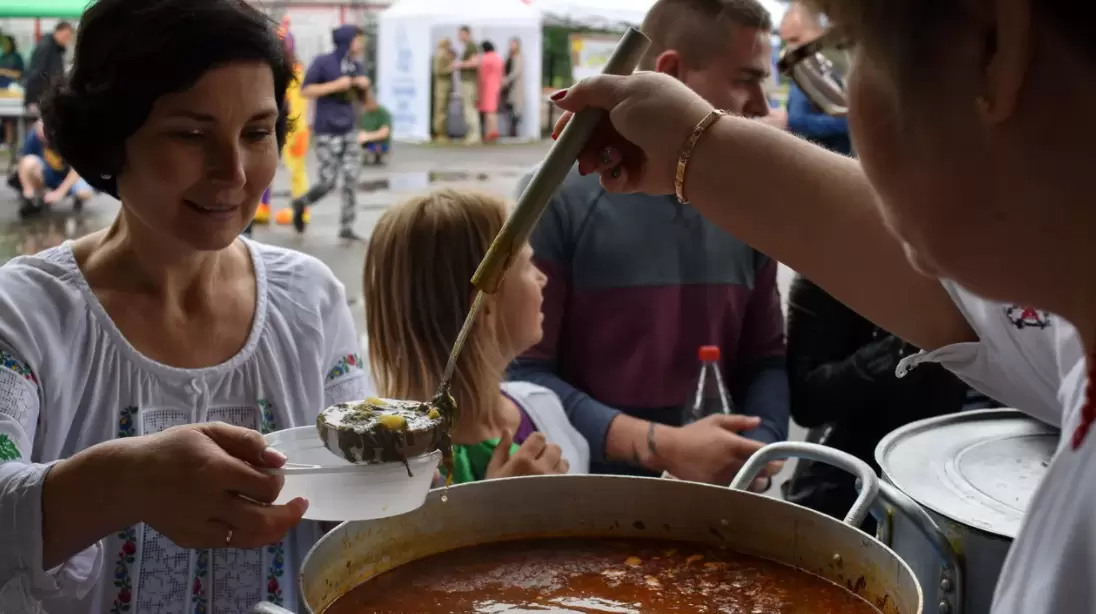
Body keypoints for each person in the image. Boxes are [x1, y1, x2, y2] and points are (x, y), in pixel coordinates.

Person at [549, 0, 1094, 611]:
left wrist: (695, 147)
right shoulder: (1074, 327)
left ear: (997, 49)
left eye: (849, 53)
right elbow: (939, 293)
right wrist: (691, 146)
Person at [0, 0, 370, 611]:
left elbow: (357, 499)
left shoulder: (311, 300)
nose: (235, 172)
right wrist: (127, 482)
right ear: (110, 138)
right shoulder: (26, 315)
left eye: (257, 133)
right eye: (192, 135)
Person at [510, 0, 788, 488]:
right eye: (746, 80)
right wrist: (665, 447)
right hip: (593, 498)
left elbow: (765, 358)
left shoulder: (754, 199)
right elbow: (524, 377)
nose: (763, 106)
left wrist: (757, 450)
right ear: (672, 74)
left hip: (724, 497)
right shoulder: (557, 194)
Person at [364, 188, 588, 483]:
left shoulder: (541, 405)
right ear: (484, 304)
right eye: (527, 265)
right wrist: (496, 505)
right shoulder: (394, 472)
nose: (542, 278)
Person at [782, 274, 969, 532]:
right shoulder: (831, 268)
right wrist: (903, 348)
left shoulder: (979, 275)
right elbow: (806, 402)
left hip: (954, 478)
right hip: (846, 483)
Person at [290, 25, 370, 239]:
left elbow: (365, 101)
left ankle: (346, 227)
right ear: (347, 40)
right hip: (327, 130)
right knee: (328, 181)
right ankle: (301, 202)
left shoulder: (356, 66)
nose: (361, 44)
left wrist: (363, 86)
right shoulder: (323, 62)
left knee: (351, 178)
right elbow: (306, 90)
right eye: (357, 39)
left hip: (349, 129)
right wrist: (335, 85)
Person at [763, 2, 852, 155]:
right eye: (787, 41)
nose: (790, 49)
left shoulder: (834, 64)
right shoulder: (805, 67)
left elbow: (850, 119)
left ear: (818, 32)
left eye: (796, 40)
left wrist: (790, 121)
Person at [13, 119, 93, 217]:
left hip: (70, 175)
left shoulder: (69, 138)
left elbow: (77, 169)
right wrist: (27, 190)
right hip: (48, 172)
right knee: (29, 162)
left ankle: (77, 199)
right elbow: (23, 161)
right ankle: (39, 197)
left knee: (84, 193)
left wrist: (59, 193)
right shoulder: (34, 135)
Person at [23, 21, 73, 113]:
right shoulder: (46, 46)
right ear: (58, 32)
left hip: (48, 96)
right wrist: (32, 99)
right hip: (39, 97)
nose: (67, 39)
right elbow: (36, 72)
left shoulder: (56, 47)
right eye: (66, 35)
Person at [452, 25, 481, 144]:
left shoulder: (471, 46)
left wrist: (460, 64)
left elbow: (475, 62)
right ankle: (472, 133)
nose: (459, 36)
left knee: (469, 107)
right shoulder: (468, 47)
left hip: (469, 81)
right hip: (466, 81)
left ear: (467, 34)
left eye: (461, 34)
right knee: (467, 107)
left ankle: (475, 134)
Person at [357, 87, 392, 165]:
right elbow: (362, 129)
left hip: (380, 141)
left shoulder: (383, 112)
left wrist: (367, 136)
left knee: (376, 144)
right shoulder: (365, 114)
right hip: (367, 141)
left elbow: (384, 132)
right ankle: (365, 155)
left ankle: (378, 156)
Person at [478, 40, 504, 143]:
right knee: (494, 110)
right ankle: (494, 130)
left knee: (489, 111)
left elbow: (482, 75)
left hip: (487, 86)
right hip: (496, 85)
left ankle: (490, 132)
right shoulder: (498, 58)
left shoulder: (485, 59)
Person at [432, 38, 455, 141]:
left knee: (443, 110)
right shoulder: (441, 54)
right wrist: (450, 68)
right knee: (440, 110)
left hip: (446, 85)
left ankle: (443, 132)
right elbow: (438, 70)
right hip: (442, 86)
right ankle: (440, 133)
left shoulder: (445, 54)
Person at [502, 37, 525, 138]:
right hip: (507, 89)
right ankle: (510, 132)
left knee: (516, 112)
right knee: (508, 110)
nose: (512, 46)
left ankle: (514, 133)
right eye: (511, 44)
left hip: (515, 88)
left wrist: (506, 80)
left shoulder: (519, 57)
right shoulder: (508, 57)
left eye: (514, 44)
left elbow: (516, 72)